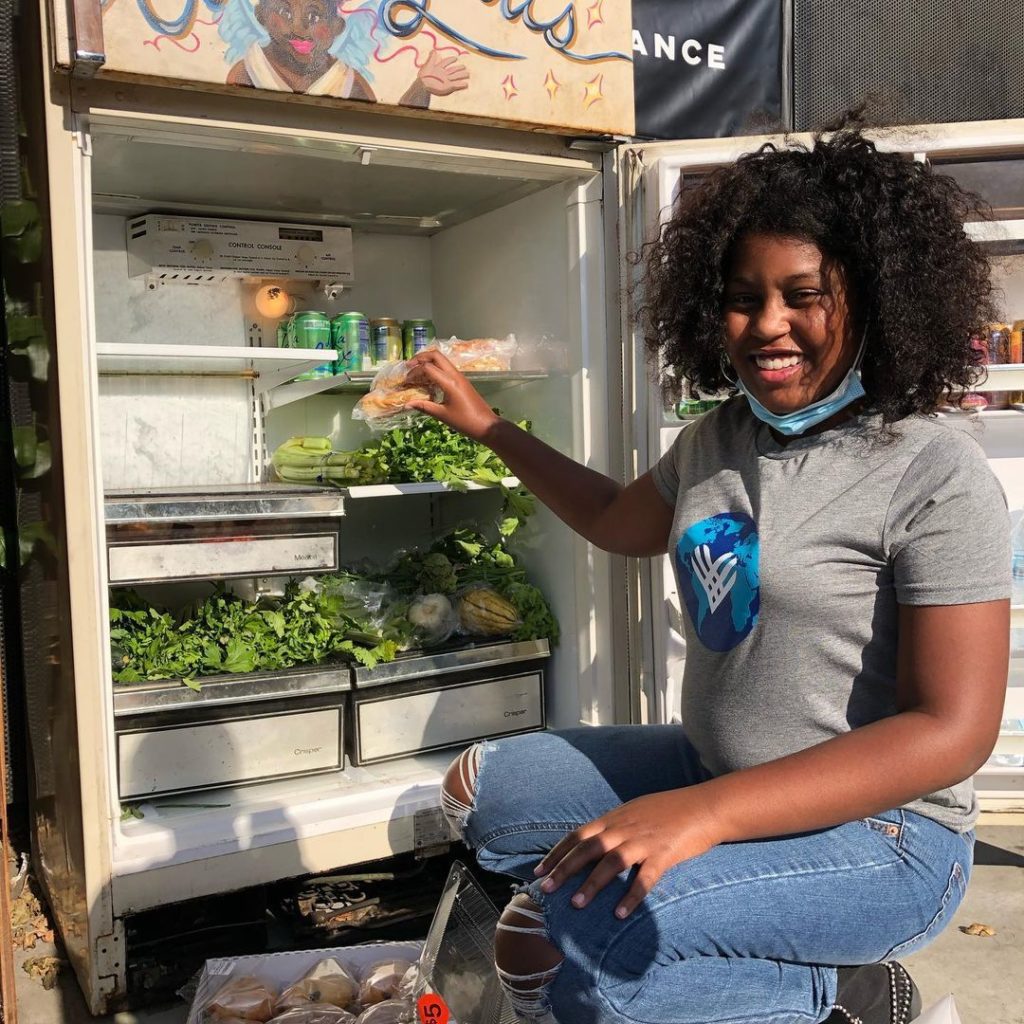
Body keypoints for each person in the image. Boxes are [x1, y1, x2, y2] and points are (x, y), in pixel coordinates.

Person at [406, 122, 1010, 1024]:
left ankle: (845, 996)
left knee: (566, 947)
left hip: (887, 839)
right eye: (742, 298)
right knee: (482, 795)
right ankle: (754, 963)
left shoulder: (933, 471)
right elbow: (617, 521)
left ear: (875, 298)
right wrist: (489, 427)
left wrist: (703, 818)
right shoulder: (718, 439)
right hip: (714, 765)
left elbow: (952, 732)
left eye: (804, 295)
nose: (768, 325)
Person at [220, 0, 468, 105]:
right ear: (262, 15)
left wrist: (421, 88)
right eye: (286, 13)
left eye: (315, 16)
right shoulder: (250, 70)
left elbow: (380, 136)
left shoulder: (345, 81)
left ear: (336, 27)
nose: (300, 28)